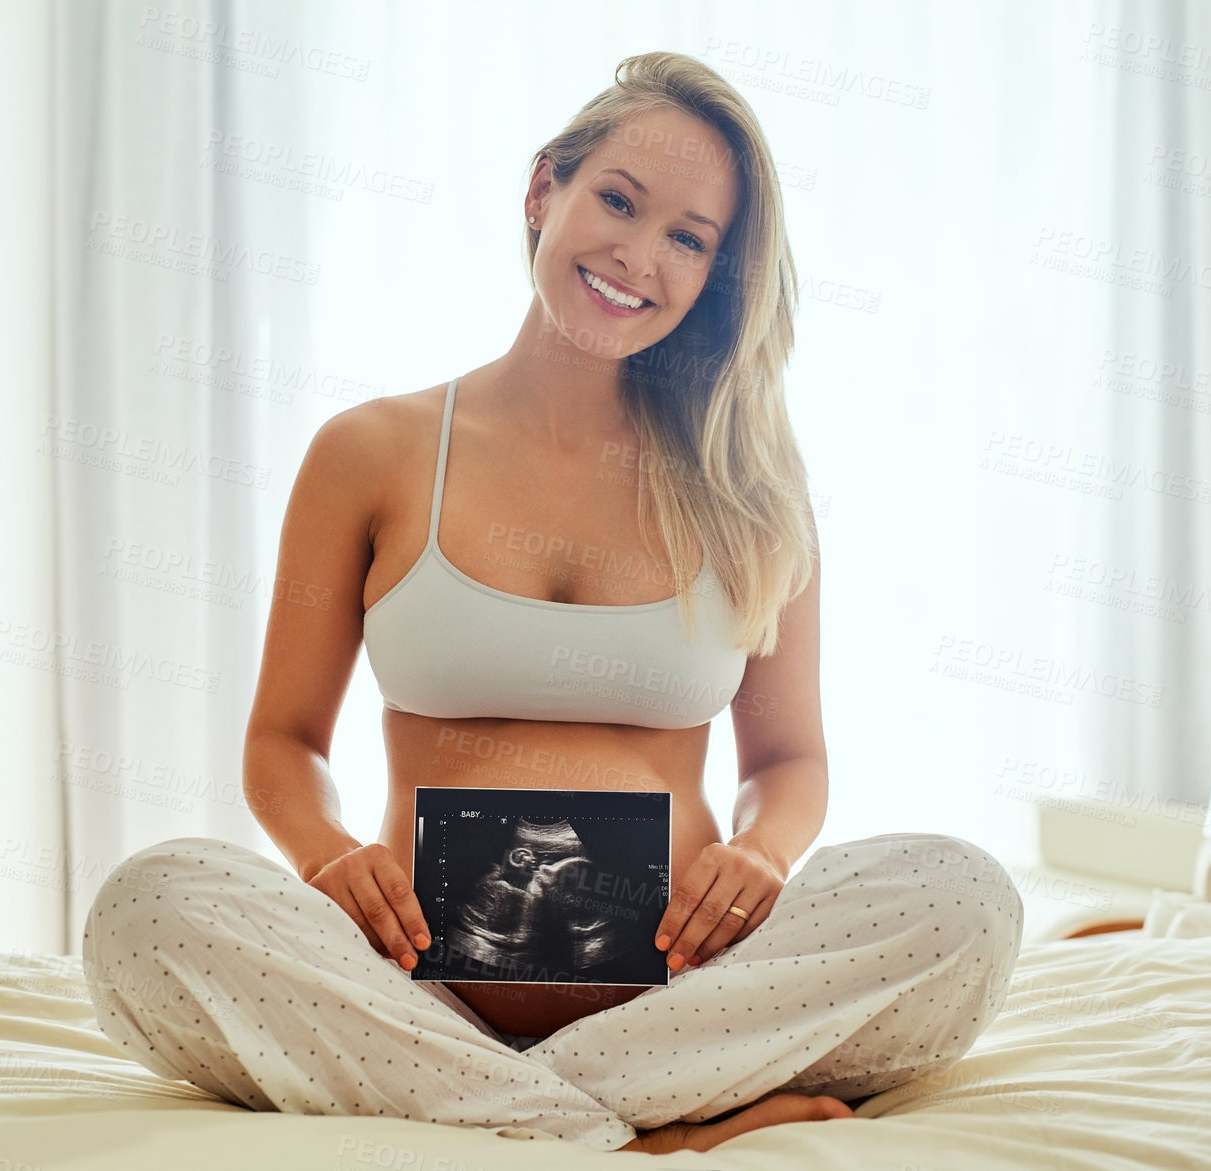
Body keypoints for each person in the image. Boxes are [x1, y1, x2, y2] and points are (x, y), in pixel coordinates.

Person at [83, 50, 1023, 1154]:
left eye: (689, 237)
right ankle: (644, 1136)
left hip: (688, 997)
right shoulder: (373, 453)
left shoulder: (752, 489)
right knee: (150, 909)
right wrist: (331, 857)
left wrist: (764, 855)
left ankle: (515, 1115)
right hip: (414, 991)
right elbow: (283, 741)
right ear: (544, 192)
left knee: (967, 901)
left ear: (718, 274)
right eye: (618, 201)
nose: (638, 255)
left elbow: (789, 764)